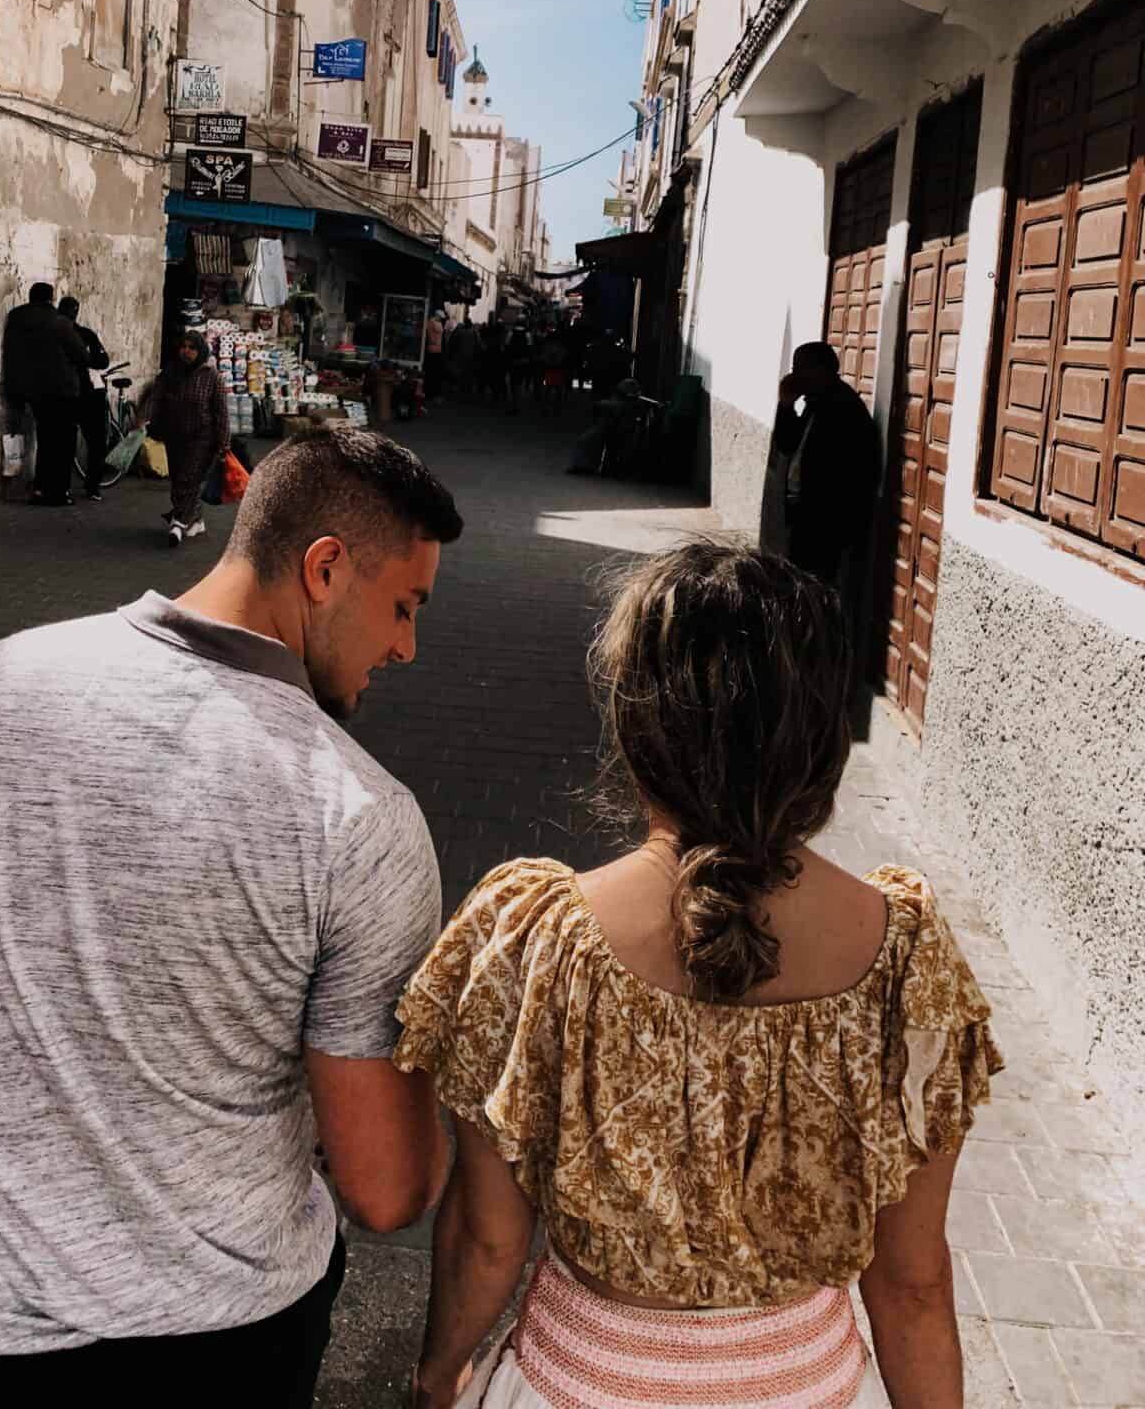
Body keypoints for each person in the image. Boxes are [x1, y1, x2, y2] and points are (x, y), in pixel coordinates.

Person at [0, 428, 464, 1404]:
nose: (407, 645)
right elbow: (386, 1186)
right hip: (221, 1337)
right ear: (323, 569)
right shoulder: (357, 813)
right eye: (404, 607)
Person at [398, 542, 1002, 1409]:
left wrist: (435, 1379)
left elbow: (487, 1241)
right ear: (824, 735)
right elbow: (912, 1285)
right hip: (811, 1388)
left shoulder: (533, 939)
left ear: (635, 727)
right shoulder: (905, 958)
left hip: (579, 1382)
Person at [771, 341, 882, 586]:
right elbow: (787, 444)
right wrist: (786, 406)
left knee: (815, 586)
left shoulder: (844, 409)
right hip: (804, 512)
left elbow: (854, 473)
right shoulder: (815, 403)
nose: (794, 375)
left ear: (820, 370)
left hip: (825, 521)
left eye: (800, 369)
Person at [2, 282, 89, 507]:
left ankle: (40, 489)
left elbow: (11, 354)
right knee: (64, 442)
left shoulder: (16, 318)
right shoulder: (58, 321)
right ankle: (59, 492)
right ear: (51, 298)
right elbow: (80, 354)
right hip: (62, 389)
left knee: (46, 438)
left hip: (33, 390)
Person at [141, 331, 230, 546]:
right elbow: (156, 396)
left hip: (202, 438)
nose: (187, 351)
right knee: (179, 477)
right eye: (184, 346)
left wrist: (224, 442)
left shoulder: (211, 376)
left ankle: (178, 523)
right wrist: (143, 418)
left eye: (192, 348)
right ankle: (196, 519)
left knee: (188, 479)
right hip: (175, 435)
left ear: (200, 352)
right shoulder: (171, 372)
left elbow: (221, 412)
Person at [58, 295, 110, 501]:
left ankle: (63, 487)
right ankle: (92, 487)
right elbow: (102, 361)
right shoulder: (85, 335)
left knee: (64, 443)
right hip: (89, 394)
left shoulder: (54, 335)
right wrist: (87, 359)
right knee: (96, 442)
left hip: (66, 394)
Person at [424, 310, 447, 403]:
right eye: (440, 318)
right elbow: (433, 336)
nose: (441, 319)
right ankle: (433, 393)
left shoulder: (433, 323)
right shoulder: (433, 323)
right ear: (437, 316)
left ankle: (431, 392)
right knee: (434, 373)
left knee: (433, 372)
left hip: (434, 349)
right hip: (435, 350)